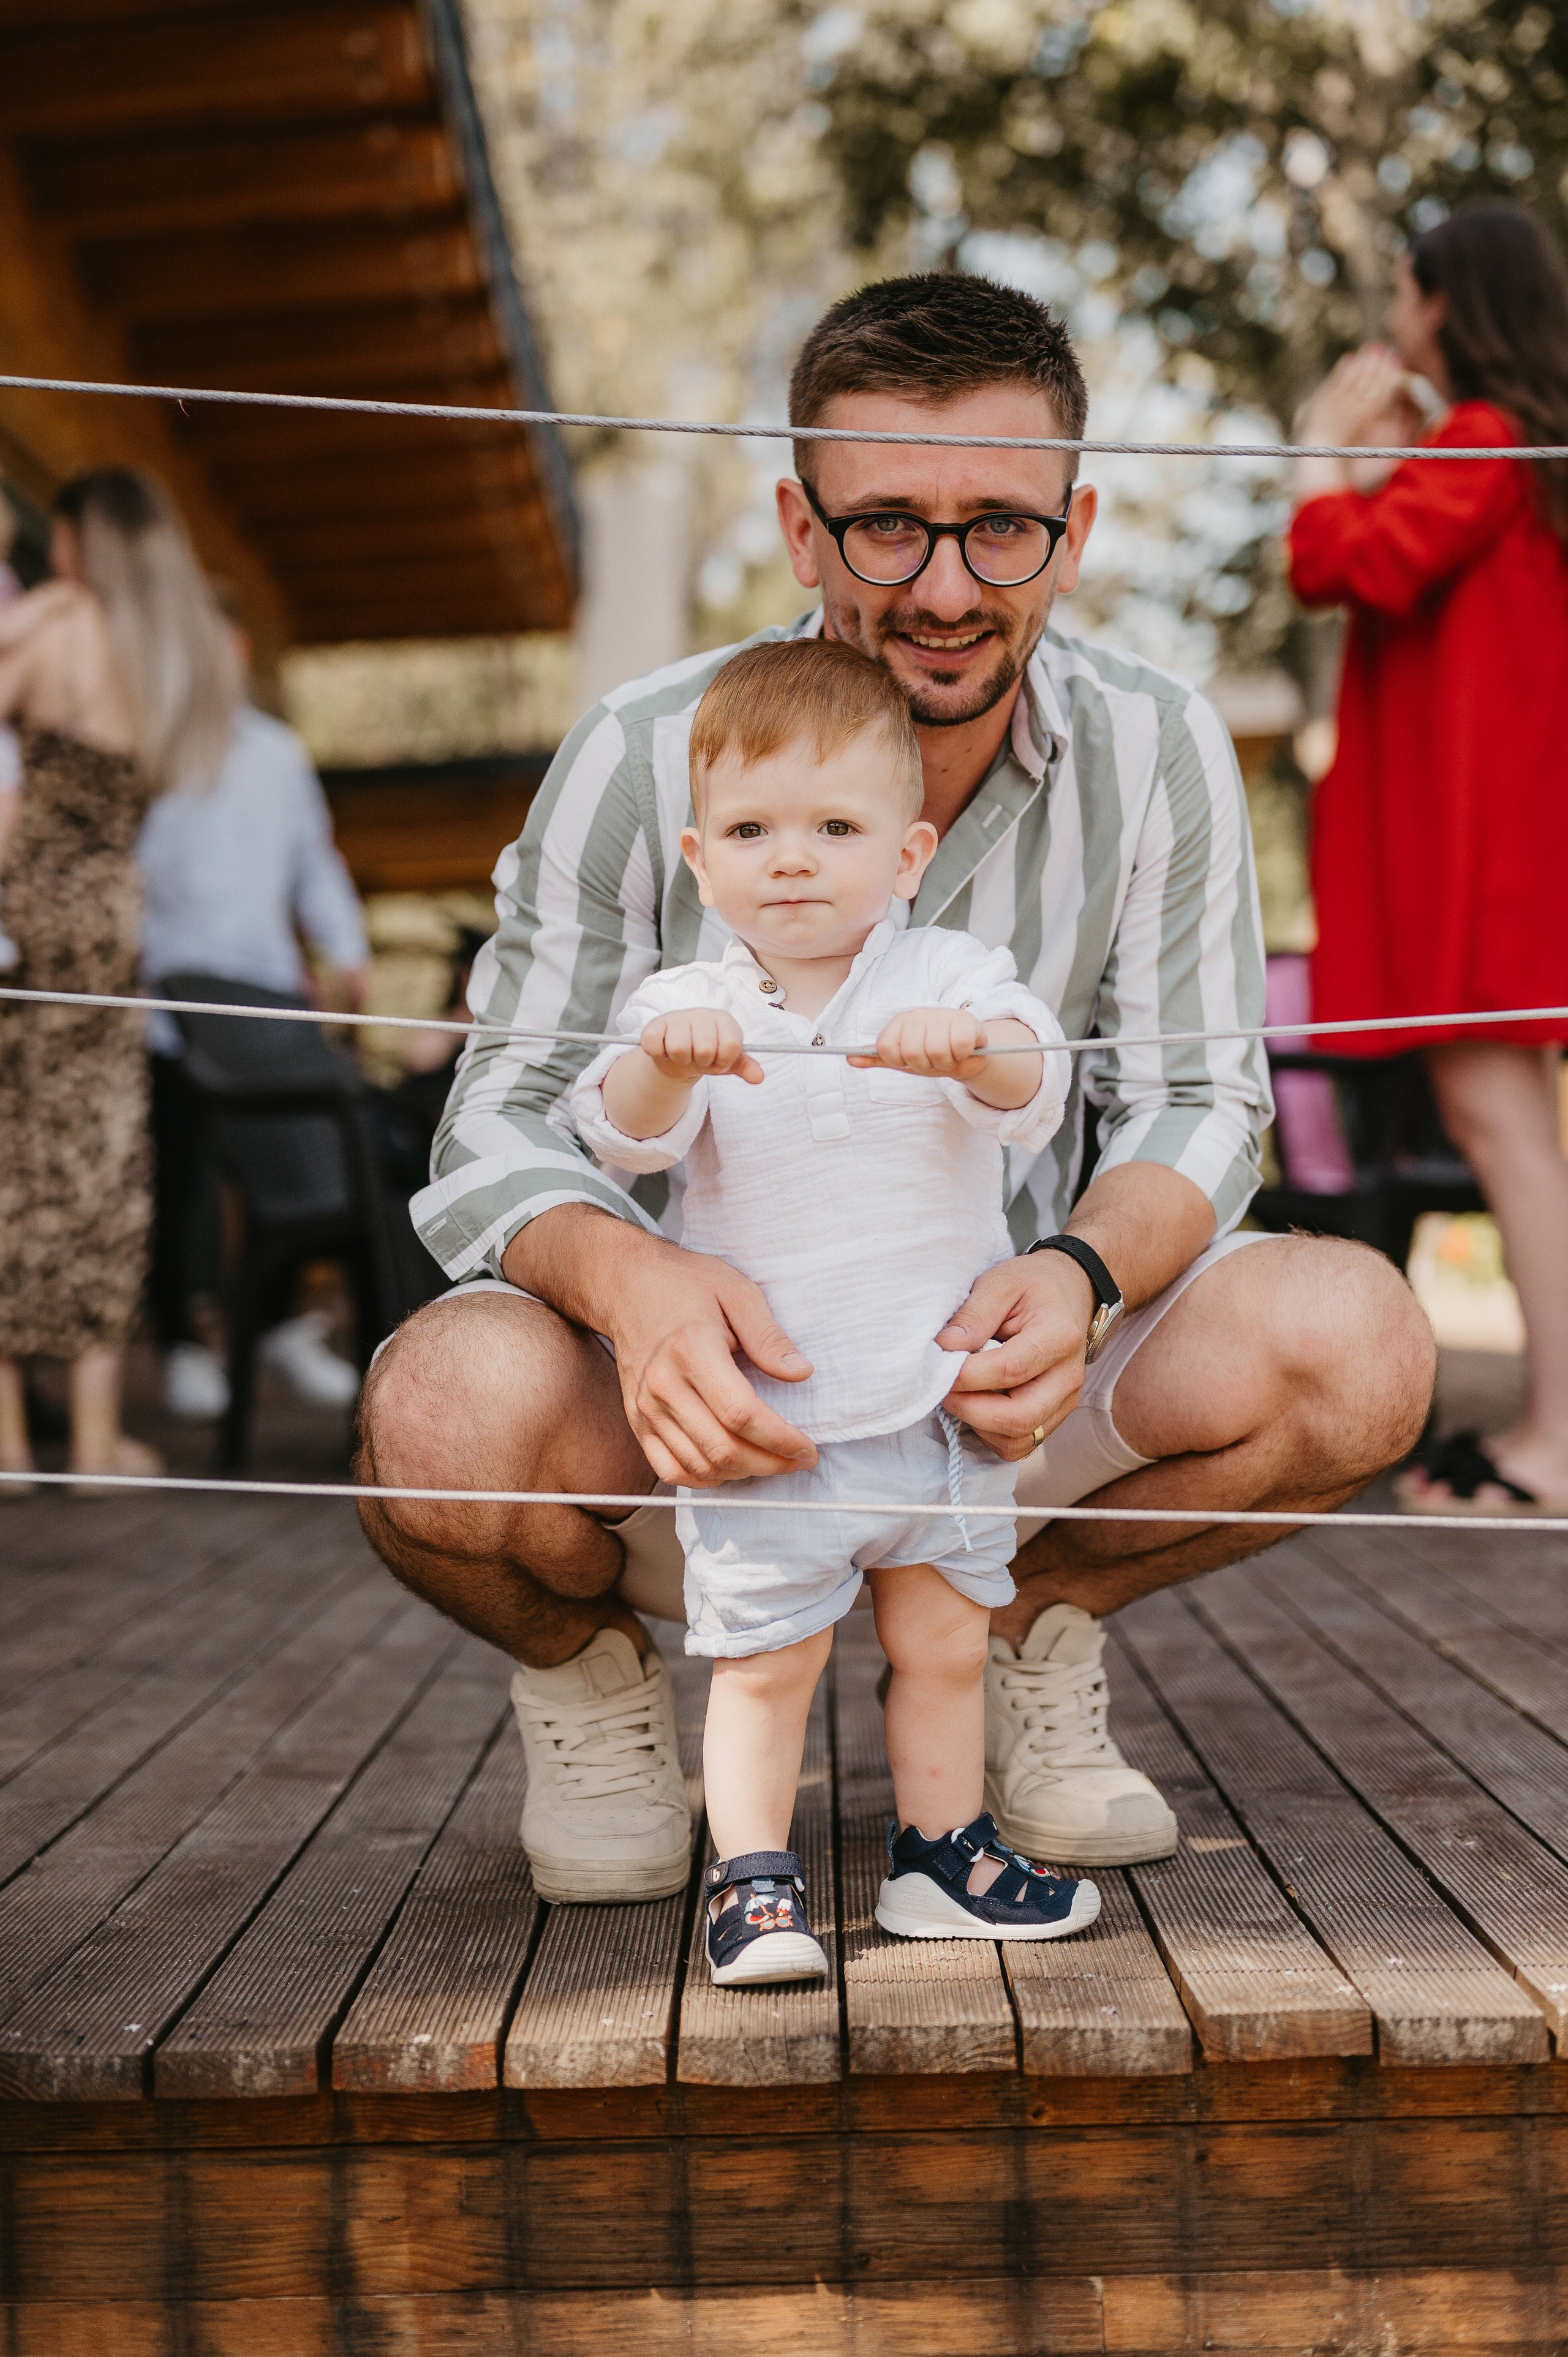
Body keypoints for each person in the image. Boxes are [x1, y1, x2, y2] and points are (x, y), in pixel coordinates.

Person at [359, 273, 1436, 1904]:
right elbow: (492, 1121)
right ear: (801, 530)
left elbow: (1199, 1106)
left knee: (1363, 1348)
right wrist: (641, 1289)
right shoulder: (642, 751)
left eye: (1000, 528)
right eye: (886, 529)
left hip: (1014, 1386)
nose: (944, 585)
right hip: (707, 1413)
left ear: (1073, 538)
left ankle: (1020, 1627)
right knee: (433, 1415)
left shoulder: (1159, 747)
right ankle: (590, 1681)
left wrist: (1079, 1277)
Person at [565, 638, 1099, 1974]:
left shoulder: (949, 978)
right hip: (780, 1413)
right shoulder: (688, 1002)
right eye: (751, 829)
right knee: (764, 1664)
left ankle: (941, 1852)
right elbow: (618, 1137)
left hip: (933, 1403)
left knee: (942, 1642)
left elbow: (1034, 1087)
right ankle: (752, 1881)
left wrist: (974, 1052)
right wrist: (651, 1068)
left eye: (834, 827)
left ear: (906, 857)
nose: (791, 858)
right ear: (698, 861)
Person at [1290, 203, 1568, 1512]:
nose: (1392, 316)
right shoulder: (1498, 446)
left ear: (1439, 302)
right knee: (1508, 1130)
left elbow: (1345, 565)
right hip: (1502, 845)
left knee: (1505, 1133)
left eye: (1403, 292)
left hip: (1482, 857)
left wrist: (1315, 458)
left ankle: (1555, 1437)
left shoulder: (1483, 435)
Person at [0, 467, 240, 1488]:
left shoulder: (57, 620)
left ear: (77, 542)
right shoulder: (176, 650)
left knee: (13, 1168)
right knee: (102, 1167)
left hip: (29, 910)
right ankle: (96, 1440)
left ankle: (8, 1443)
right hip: (112, 926)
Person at [138, 597, 371, 1420]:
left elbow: (314, 860)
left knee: (287, 1161)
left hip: (270, 990)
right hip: (171, 999)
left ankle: (277, 1329)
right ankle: (182, 1344)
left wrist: (347, 950)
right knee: (185, 1178)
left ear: (235, 647)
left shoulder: (277, 754)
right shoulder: (149, 744)